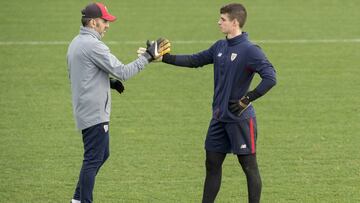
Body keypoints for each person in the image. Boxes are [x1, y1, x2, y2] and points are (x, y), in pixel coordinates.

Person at [138, 3, 276, 203]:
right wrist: (163, 58)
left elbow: (270, 77)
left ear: (235, 22)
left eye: (223, 19)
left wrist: (248, 98)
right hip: (219, 118)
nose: (218, 22)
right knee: (212, 164)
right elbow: (195, 60)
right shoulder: (220, 46)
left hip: (240, 121)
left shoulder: (250, 50)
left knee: (249, 166)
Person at [66, 2, 170, 203]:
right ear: (94, 22)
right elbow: (124, 71)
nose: (107, 25)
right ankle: (81, 200)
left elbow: (80, 74)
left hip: (85, 109)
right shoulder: (93, 45)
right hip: (94, 112)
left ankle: (78, 200)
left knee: (102, 154)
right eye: (105, 21)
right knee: (93, 159)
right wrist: (148, 56)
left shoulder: (76, 42)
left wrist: (109, 82)